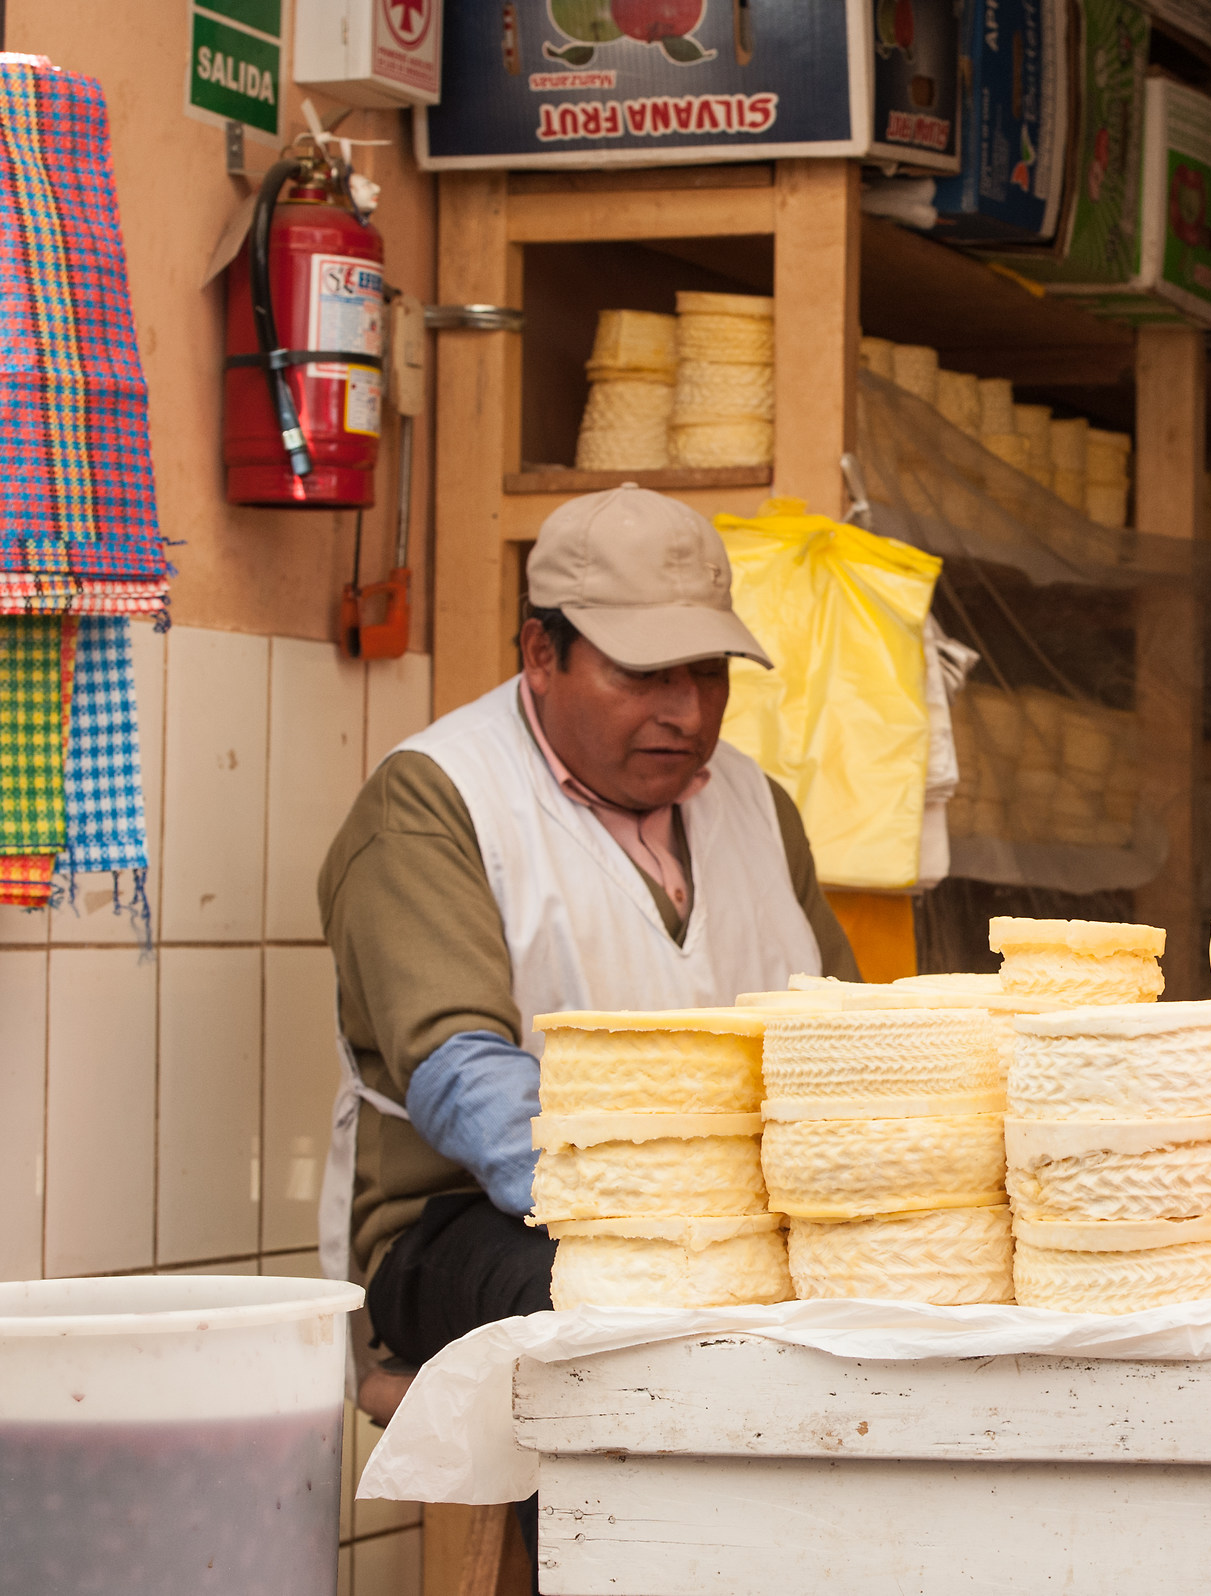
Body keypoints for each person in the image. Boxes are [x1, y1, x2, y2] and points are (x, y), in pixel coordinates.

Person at [317, 484, 858, 1413]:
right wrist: (660, 1215)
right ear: (541, 653)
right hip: (461, 1222)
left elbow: (845, 1038)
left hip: (733, 1222)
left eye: (709, 673)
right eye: (644, 675)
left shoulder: (759, 808)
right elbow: (459, 1075)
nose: (686, 712)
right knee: (624, 1321)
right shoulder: (435, 799)